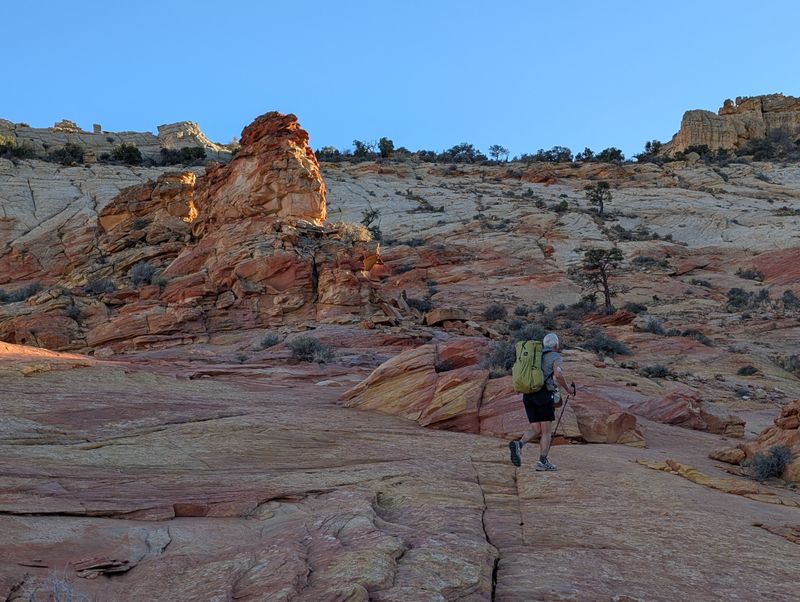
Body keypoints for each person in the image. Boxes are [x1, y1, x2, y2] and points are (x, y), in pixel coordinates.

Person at [508, 332, 571, 471]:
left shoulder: (534, 355)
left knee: (536, 428)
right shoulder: (555, 356)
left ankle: (519, 445)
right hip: (543, 395)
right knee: (546, 431)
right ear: (556, 344)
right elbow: (558, 374)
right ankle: (543, 461)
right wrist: (568, 389)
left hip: (528, 395)